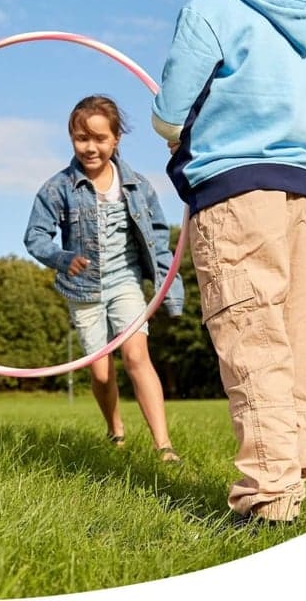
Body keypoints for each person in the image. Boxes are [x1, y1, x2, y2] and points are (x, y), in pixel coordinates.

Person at [151, 0, 306, 523]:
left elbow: (169, 112)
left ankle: (263, 502)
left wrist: (173, 134)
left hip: (234, 200)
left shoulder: (211, 8)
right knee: (292, 342)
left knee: (251, 342)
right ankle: (288, 481)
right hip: (300, 199)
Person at [25, 95, 184, 463]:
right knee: (99, 374)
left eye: (99, 138)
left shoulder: (138, 187)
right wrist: (62, 258)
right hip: (83, 289)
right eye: (82, 138)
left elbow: (161, 243)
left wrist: (169, 293)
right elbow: (35, 236)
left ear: (116, 140)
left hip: (125, 280)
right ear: (71, 138)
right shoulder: (58, 187)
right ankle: (116, 431)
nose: (90, 147)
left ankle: (164, 446)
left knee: (136, 355)